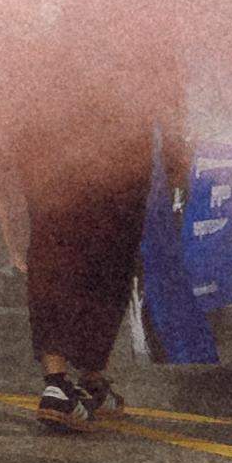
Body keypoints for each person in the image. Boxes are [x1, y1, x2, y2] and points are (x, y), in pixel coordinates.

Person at [19, 115, 157, 432]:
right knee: (109, 261)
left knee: (55, 256)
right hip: (117, 145)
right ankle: (86, 378)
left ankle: (59, 383)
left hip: (47, 140)